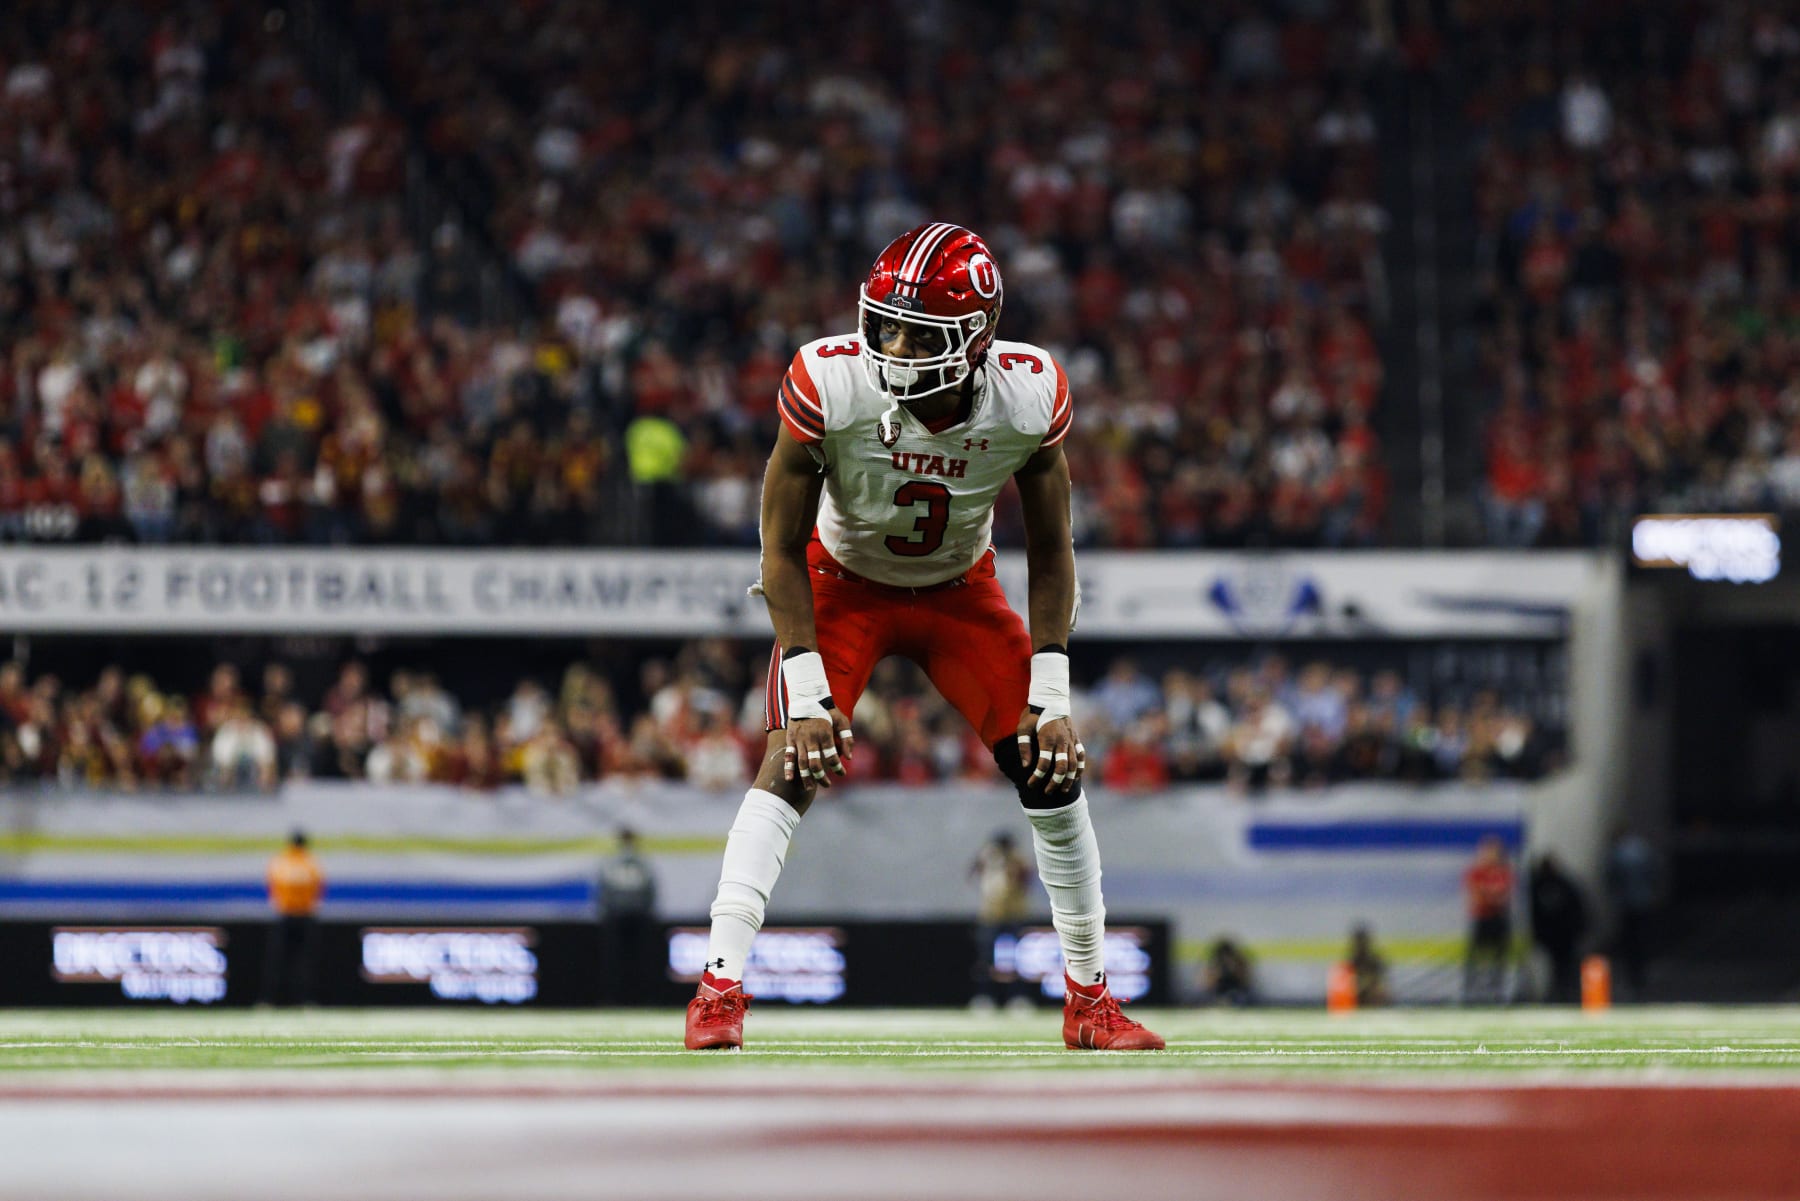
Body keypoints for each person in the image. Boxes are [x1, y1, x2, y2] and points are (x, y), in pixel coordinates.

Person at [684, 223, 1163, 1052]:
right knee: (790, 757)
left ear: (976, 338)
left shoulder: (1029, 392)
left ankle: (1090, 999)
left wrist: (1051, 697)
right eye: (886, 322)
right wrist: (804, 692)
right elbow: (778, 545)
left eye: (919, 332)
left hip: (958, 595)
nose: (892, 344)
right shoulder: (828, 379)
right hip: (839, 586)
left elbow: (1052, 549)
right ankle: (718, 985)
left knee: (1053, 768)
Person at [967, 830, 1035, 1011]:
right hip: (991, 914)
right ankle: (984, 997)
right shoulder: (989, 858)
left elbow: (1026, 878)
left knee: (1018, 959)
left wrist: (1011, 863)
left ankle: (1018, 997)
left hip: (1014, 913)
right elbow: (973, 872)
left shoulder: (1018, 859)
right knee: (986, 959)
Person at [597, 826, 660, 1006]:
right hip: (617, 916)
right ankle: (614, 997)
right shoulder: (611, 863)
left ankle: (643, 997)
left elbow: (650, 891)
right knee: (615, 960)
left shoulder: (642, 863)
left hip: (638, 916)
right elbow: (604, 891)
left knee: (642, 960)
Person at [262, 830, 324, 1005]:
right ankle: (306, 1000)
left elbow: (271, 885)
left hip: (285, 914)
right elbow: (319, 887)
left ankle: (269, 1000)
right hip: (305, 915)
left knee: (277, 960)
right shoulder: (311, 862)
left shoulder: (281, 861)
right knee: (305, 961)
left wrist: (278, 902)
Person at [1461, 834, 1516, 1004]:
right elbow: (1477, 897)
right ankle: (1470, 992)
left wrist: (1490, 896)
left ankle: (1497, 992)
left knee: (1499, 958)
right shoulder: (1477, 872)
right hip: (1482, 919)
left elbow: (1504, 898)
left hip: (1499, 919)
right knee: (1475, 957)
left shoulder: (1505, 872)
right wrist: (1492, 896)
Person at [1606, 827, 1658, 1000]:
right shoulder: (1642, 849)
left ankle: (1632, 976)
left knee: (1629, 941)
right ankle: (1641, 974)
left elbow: (1611, 877)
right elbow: (1653, 872)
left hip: (1626, 903)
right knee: (1642, 938)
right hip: (1643, 900)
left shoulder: (1618, 853)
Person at [1528, 852, 1588, 1003]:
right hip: (1554, 935)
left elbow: (1577, 908)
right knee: (1556, 967)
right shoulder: (1540, 885)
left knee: (1564, 966)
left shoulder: (1560, 884)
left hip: (1561, 934)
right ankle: (1556, 994)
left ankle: (1565, 994)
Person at [1202, 936, 1255, 1006]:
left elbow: (1247, 983)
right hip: (1218, 994)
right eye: (1223, 958)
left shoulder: (1239, 962)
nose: (1225, 961)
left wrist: (1235, 969)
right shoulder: (1214, 965)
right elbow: (1206, 986)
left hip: (1236, 992)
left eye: (1227, 957)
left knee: (1241, 998)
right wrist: (1216, 974)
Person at [1347, 923, 1391, 1007]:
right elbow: (1347, 985)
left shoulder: (1375, 961)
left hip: (1373, 1003)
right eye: (1358, 942)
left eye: (1362, 942)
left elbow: (1382, 985)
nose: (1360, 945)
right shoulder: (1351, 962)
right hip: (1355, 1003)